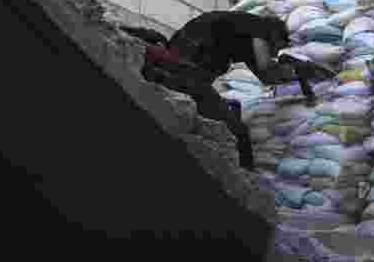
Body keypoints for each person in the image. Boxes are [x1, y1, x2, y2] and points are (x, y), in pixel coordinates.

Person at [121, 11, 335, 170]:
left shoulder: (245, 37)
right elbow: (265, 67)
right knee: (236, 129)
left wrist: (297, 73)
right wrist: (300, 69)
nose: (275, 53)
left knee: (224, 119)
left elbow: (267, 77)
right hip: (186, 66)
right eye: (277, 48)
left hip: (189, 69)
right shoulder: (258, 27)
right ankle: (247, 180)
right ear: (274, 36)